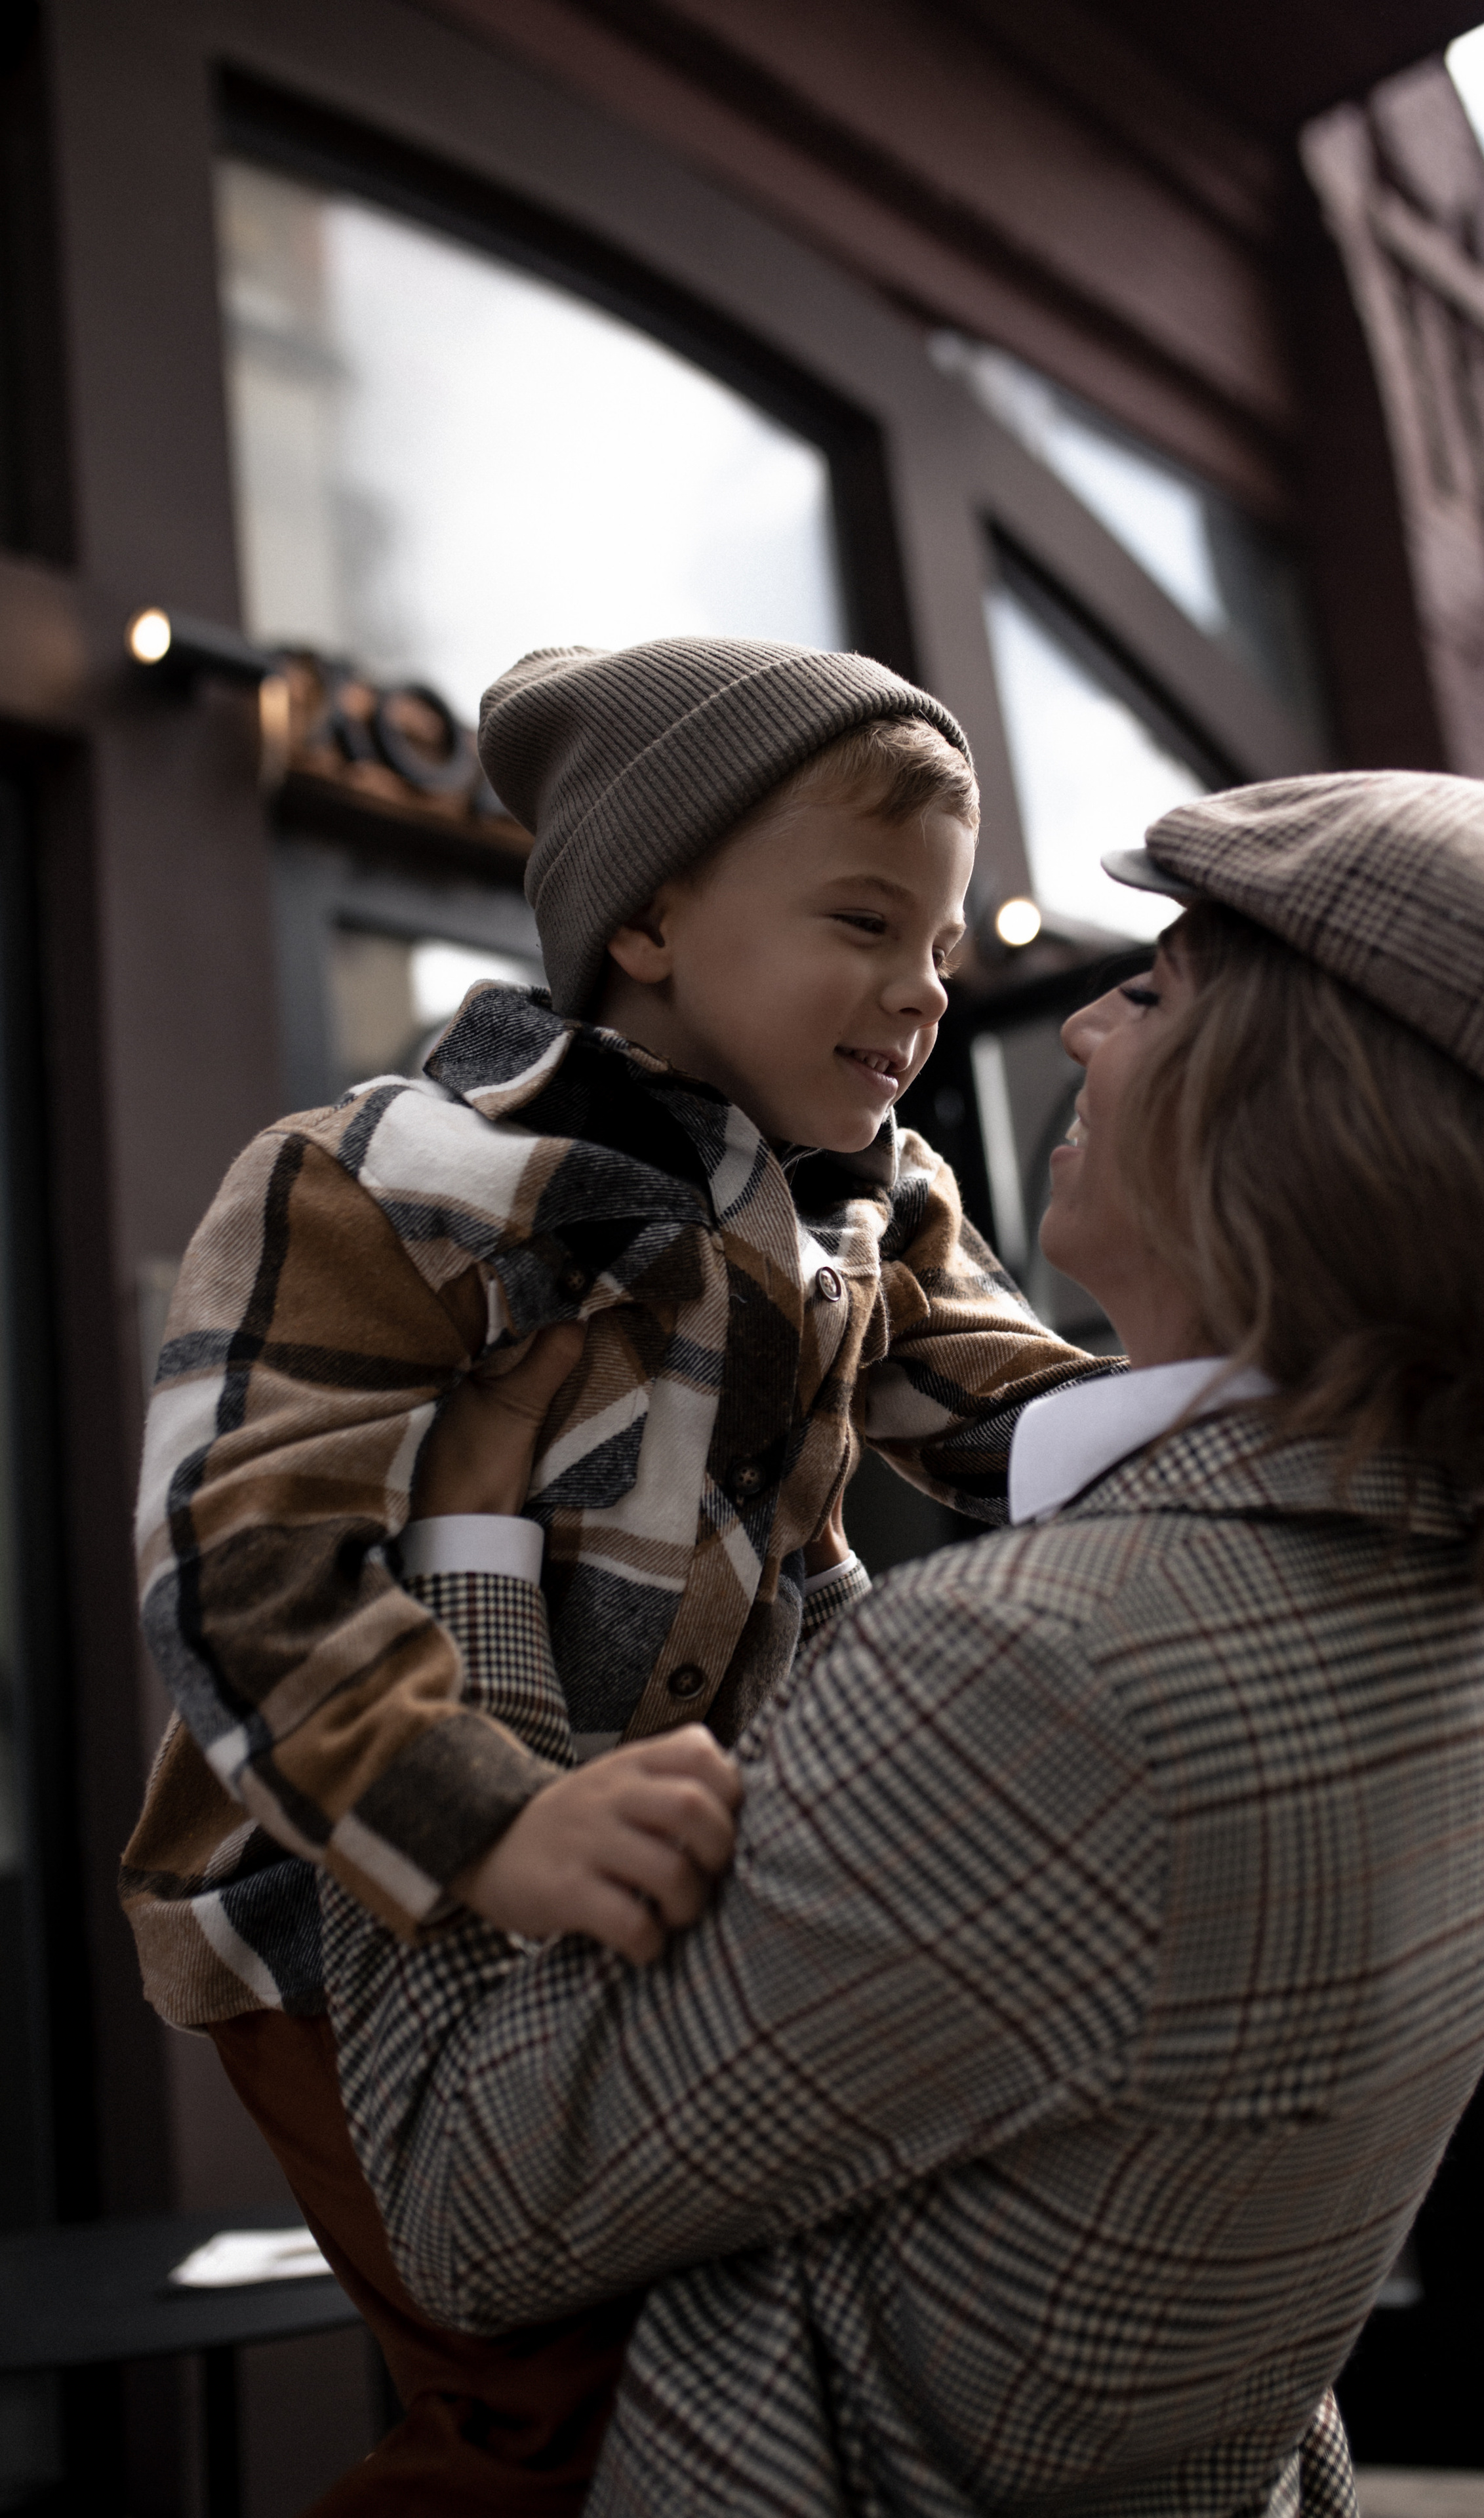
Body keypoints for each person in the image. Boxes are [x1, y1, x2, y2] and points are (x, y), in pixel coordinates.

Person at [326, 769, 1484, 2515]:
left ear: (1279, 1115)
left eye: (1156, 990)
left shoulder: (1053, 1672)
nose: (1085, 1035)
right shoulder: (1464, 1604)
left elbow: (475, 2210)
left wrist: (458, 1572)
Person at [121, 637, 1114, 2511]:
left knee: (698, 2362)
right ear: (650, 921)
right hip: (346, 1903)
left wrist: (1265, 1425)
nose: (919, 995)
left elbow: (1016, 1421)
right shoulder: (387, 1178)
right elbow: (244, 1561)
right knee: (537, 2408)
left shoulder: (879, 1202)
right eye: (863, 921)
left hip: (660, 1877)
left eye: (946, 947)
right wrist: (487, 1821)